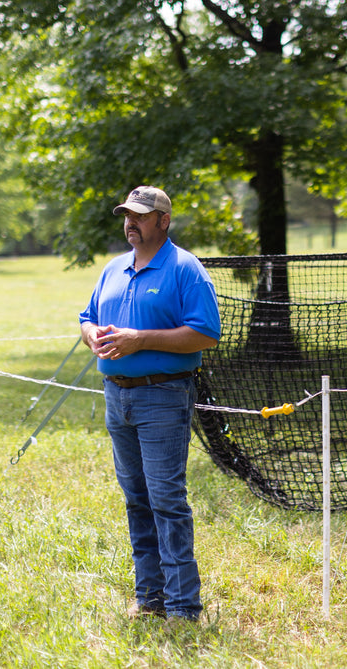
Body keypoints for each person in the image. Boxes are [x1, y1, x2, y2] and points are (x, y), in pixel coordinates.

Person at [79, 185, 221, 622]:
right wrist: (92, 336)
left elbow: (205, 333)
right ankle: (150, 599)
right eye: (126, 215)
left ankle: (182, 606)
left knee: (166, 500)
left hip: (163, 396)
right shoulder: (113, 269)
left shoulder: (185, 269)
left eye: (140, 216)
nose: (130, 223)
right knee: (136, 499)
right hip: (115, 396)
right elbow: (87, 318)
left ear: (164, 221)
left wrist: (140, 339)